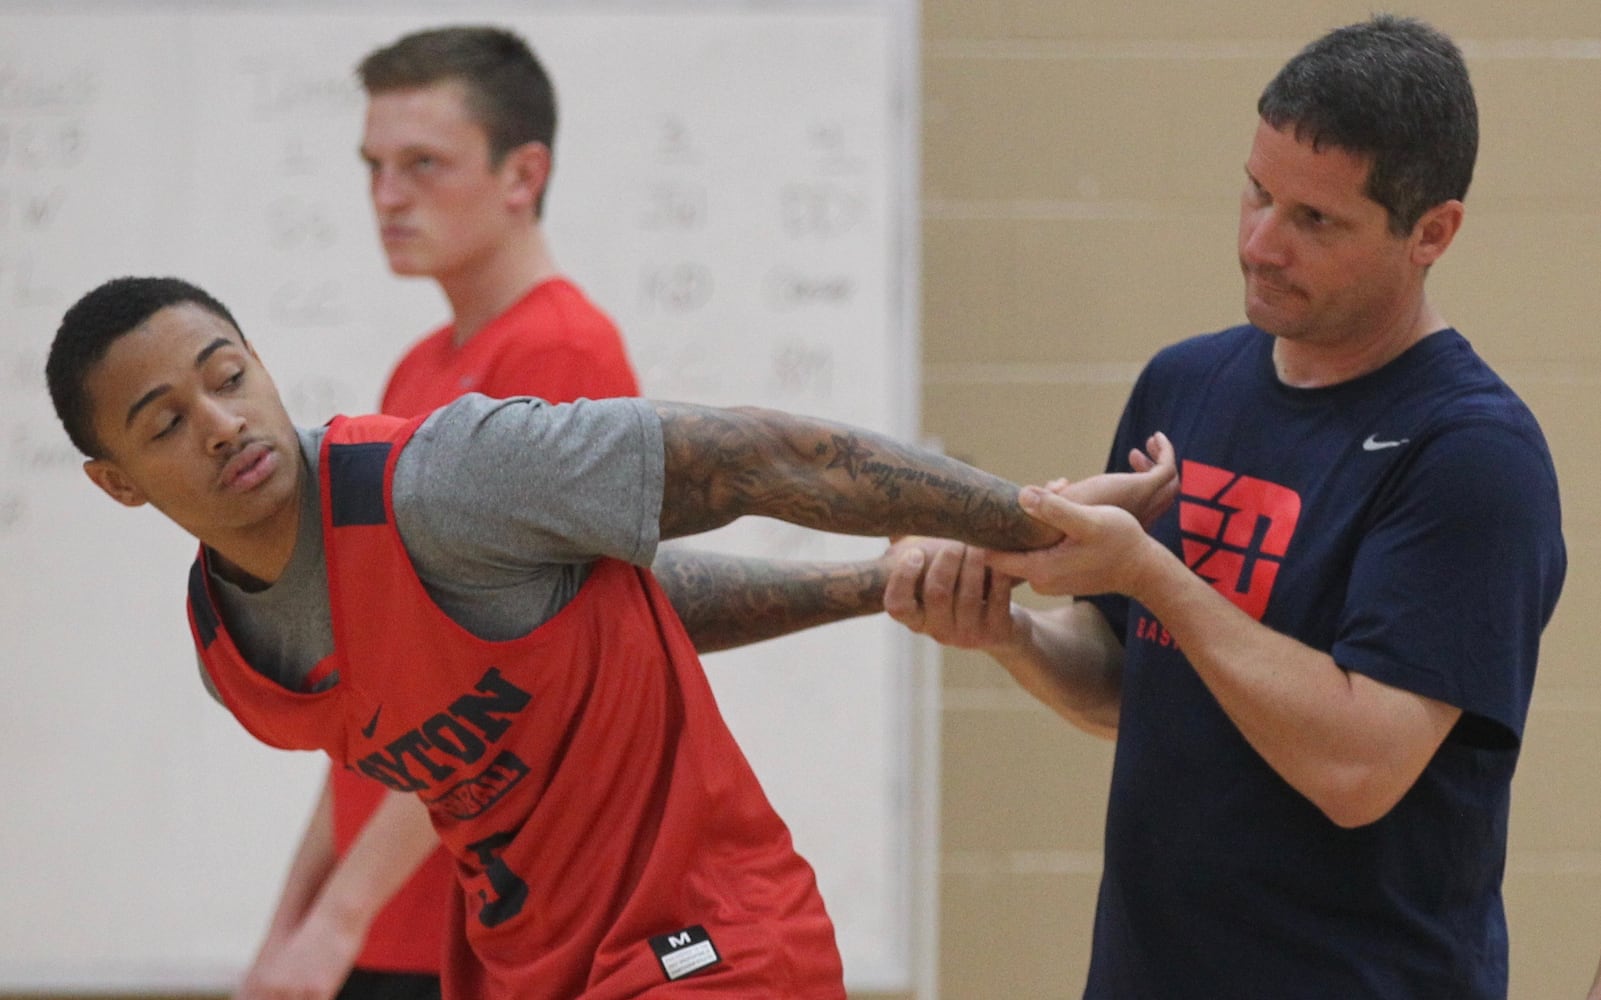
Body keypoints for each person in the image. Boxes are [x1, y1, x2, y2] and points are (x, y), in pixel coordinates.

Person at [45, 275, 1175, 1000]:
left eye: (228, 376)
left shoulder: (441, 478)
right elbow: (610, 609)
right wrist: (866, 585)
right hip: (536, 968)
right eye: (167, 423)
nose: (224, 423)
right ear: (117, 483)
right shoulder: (236, 662)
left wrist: (1030, 524)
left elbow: (766, 455)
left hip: (703, 944)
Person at [884, 15, 1565, 999]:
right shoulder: (1186, 383)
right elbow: (1131, 683)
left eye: (1313, 221)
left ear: (1431, 232)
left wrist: (1149, 571)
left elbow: (1355, 768)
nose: (1258, 242)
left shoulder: (1470, 456)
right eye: (1255, 191)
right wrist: (1008, 636)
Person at [244, 26, 644, 1000]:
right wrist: (295, 922)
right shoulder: (414, 373)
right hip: (382, 927)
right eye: (374, 166)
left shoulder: (561, 362)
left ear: (522, 174)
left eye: (422, 164)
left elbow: (510, 687)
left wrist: (336, 917)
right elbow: (378, 696)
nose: (386, 196)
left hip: (483, 937)